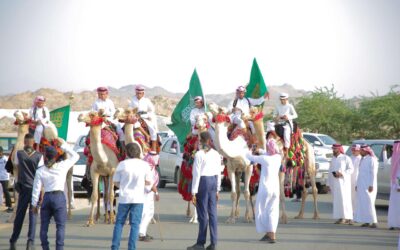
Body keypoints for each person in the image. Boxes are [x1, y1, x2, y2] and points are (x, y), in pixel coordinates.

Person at [31, 139, 79, 250]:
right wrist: (64, 146)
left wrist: (34, 204)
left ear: (45, 156)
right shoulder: (62, 166)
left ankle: (45, 248)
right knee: (60, 227)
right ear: (55, 156)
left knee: (44, 227)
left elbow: (36, 189)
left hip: (47, 198)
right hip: (59, 198)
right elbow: (76, 156)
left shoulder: (40, 170)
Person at [111, 142, 153, 250]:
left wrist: (123, 184)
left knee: (119, 223)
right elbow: (149, 182)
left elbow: (115, 181)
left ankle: (115, 247)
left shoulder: (122, 164)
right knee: (135, 225)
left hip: (124, 197)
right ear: (138, 152)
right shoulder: (144, 165)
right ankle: (132, 247)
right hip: (138, 198)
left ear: (126, 152)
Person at [187, 131, 221, 250]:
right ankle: (213, 243)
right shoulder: (216, 154)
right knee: (212, 214)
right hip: (213, 181)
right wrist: (217, 189)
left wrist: (193, 192)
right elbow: (218, 172)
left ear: (201, 140)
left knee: (202, 214)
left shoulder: (199, 154)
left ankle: (200, 243)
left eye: (199, 139)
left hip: (203, 181)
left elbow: (196, 174)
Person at [10, 133, 44, 250]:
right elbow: (41, 175)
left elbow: (17, 169)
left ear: (24, 142)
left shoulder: (19, 154)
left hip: (23, 188)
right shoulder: (40, 156)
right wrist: (41, 192)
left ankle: (13, 240)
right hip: (35, 189)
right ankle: (30, 243)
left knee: (19, 216)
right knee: (33, 216)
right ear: (33, 142)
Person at [245, 139, 282, 243]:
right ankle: (271, 235)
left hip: (265, 189)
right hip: (275, 189)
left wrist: (248, 149)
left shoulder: (265, 159)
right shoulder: (278, 157)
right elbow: (266, 153)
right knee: (273, 211)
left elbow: (249, 157)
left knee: (262, 210)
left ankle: (268, 232)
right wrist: (259, 150)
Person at [328, 144, 354, 225]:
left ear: (339, 149)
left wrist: (342, 173)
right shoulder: (333, 159)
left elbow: (351, 169)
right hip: (335, 183)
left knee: (345, 200)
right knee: (337, 201)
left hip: (343, 183)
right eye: (333, 149)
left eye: (335, 149)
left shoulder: (345, 158)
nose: (333, 150)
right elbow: (330, 171)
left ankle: (348, 218)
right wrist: (328, 183)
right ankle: (340, 217)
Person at [129, 85, 158, 153]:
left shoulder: (146, 100)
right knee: (127, 127)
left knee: (153, 129)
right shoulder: (132, 100)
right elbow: (130, 110)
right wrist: (134, 115)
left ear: (143, 93)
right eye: (137, 93)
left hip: (145, 117)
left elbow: (152, 110)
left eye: (140, 93)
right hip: (135, 117)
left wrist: (147, 115)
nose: (138, 95)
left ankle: (154, 149)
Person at [355, 144, 378, 228]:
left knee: (369, 203)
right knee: (363, 203)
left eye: (361, 150)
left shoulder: (372, 159)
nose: (360, 152)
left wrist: (371, 185)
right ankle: (367, 221)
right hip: (361, 184)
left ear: (365, 151)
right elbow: (360, 174)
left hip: (369, 185)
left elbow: (373, 173)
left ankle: (374, 222)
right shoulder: (362, 159)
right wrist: (357, 184)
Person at [138, 152, 160, 242]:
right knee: (145, 213)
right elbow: (149, 183)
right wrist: (157, 193)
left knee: (150, 213)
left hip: (149, 192)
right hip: (145, 193)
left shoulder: (151, 166)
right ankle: (141, 234)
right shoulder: (147, 167)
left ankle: (143, 231)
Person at [388, 141, 400, 230]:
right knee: (393, 205)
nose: (393, 148)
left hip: (398, 185)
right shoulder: (394, 157)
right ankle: (393, 223)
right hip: (394, 184)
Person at [350, 144, 361, 216]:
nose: (354, 151)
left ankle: (357, 213)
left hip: (357, 180)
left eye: (355, 150)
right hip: (350, 180)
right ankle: (352, 213)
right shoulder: (350, 158)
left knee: (357, 198)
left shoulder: (361, 159)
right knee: (351, 197)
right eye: (353, 150)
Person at [0, 146, 13, 212]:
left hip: (5, 178)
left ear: (2, 152)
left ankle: (10, 207)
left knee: (6, 192)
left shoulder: (6, 159)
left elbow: (9, 167)